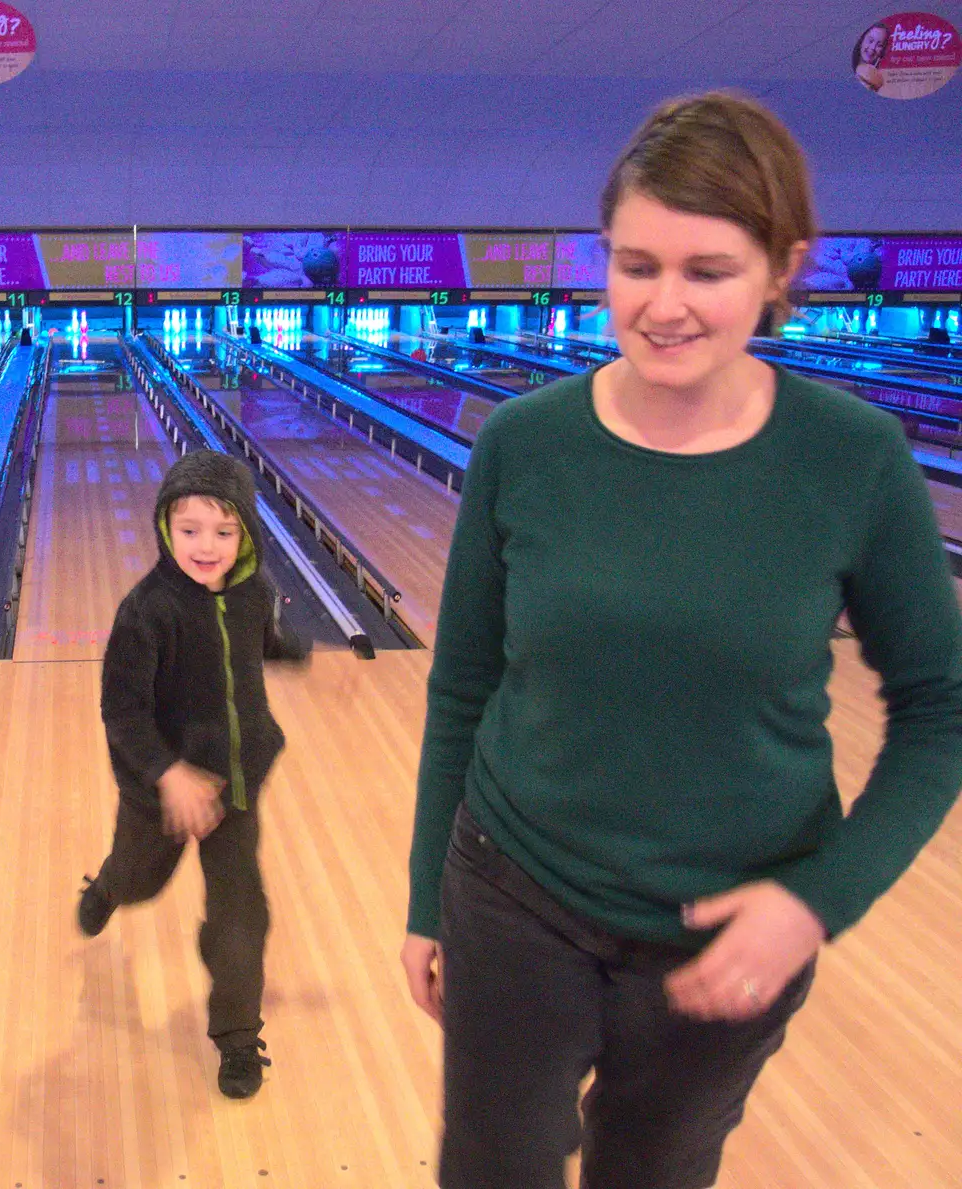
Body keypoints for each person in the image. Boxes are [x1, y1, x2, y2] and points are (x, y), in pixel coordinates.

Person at [401, 90, 962, 1189]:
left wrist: (816, 900)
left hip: (727, 932)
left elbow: (941, 713)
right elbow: (462, 685)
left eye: (706, 270)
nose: (662, 304)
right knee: (488, 1170)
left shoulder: (852, 460)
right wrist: (427, 896)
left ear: (783, 266)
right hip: (514, 891)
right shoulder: (524, 442)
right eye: (634, 263)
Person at [78, 450, 309, 1100]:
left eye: (223, 531)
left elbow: (260, 641)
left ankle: (238, 1038)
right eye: (190, 530)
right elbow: (120, 710)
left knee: (241, 915)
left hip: (235, 784)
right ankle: (107, 887)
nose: (206, 545)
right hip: (160, 790)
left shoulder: (253, 593)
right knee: (140, 876)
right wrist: (169, 773)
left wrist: (306, 656)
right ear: (164, 529)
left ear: (245, 537)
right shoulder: (146, 611)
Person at [854, 22, 889, 92]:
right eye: (870, 41)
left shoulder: (878, 80)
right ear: (861, 41)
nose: (873, 48)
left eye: (880, 45)